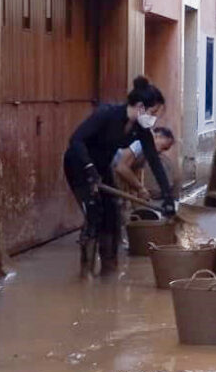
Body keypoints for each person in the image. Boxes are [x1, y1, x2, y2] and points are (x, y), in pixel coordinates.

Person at [63, 76, 175, 277]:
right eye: (153, 112)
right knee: (94, 214)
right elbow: (76, 140)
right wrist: (89, 169)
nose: (154, 118)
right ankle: (85, 274)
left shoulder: (141, 129)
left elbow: (155, 162)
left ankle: (109, 271)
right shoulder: (106, 114)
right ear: (140, 106)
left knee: (112, 215)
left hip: (101, 167)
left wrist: (168, 197)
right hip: (79, 164)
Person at [113, 127, 175, 202]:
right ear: (158, 136)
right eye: (164, 147)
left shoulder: (146, 154)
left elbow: (135, 173)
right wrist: (140, 188)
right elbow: (121, 168)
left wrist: (140, 191)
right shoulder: (140, 142)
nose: (161, 151)